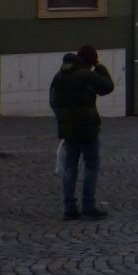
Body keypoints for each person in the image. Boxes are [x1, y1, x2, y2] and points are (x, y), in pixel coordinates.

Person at [52, 44, 115, 221]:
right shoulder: (86, 75)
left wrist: (62, 119)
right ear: (91, 60)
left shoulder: (59, 76)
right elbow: (107, 87)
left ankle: (69, 208)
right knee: (91, 165)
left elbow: (53, 100)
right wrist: (100, 67)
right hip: (87, 127)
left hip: (68, 129)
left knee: (70, 168)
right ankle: (88, 205)